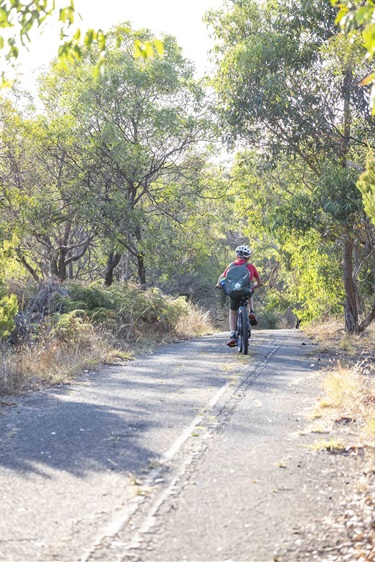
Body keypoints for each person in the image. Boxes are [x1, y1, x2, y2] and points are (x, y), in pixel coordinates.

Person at [217, 245, 262, 347]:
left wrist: (218, 285)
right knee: (250, 290)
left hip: (234, 293)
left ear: (237, 256)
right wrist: (255, 285)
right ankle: (251, 311)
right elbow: (259, 282)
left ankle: (233, 335)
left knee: (232, 312)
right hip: (246, 291)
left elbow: (222, 277)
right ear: (248, 257)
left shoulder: (231, 266)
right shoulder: (251, 267)